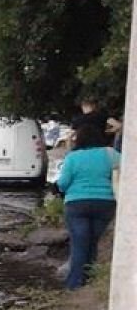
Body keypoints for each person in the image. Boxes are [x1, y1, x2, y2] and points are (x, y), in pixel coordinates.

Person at [56, 121, 119, 289]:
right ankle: (90, 280)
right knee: (92, 242)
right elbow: (125, 170)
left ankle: (74, 284)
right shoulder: (110, 153)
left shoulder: (73, 157)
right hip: (104, 203)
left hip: (77, 204)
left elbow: (62, 184)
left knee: (79, 244)